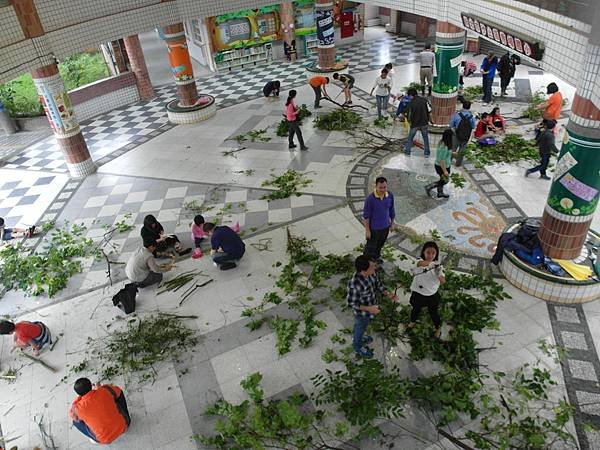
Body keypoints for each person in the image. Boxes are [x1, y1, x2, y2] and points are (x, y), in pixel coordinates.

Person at [347, 255, 397, 358]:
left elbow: (378, 285)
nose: (375, 268)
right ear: (363, 270)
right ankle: (357, 345)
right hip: (362, 313)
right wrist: (370, 309)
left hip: (371, 307)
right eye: (372, 267)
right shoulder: (355, 284)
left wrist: (388, 293)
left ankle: (359, 335)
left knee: (360, 326)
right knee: (361, 326)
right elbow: (352, 303)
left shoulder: (372, 274)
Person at [69, 378, 130, 444]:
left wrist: (79, 398)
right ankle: (127, 418)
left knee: (75, 422)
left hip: (104, 439)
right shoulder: (105, 390)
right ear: (91, 385)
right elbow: (118, 390)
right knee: (117, 395)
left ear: (79, 394)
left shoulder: (77, 408)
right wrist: (99, 388)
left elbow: (72, 414)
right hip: (124, 425)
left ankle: (94, 438)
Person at [407, 241, 445, 339]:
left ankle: (438, 327)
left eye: (433, 253)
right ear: (423, 252)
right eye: (428, 252)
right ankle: (412, 322)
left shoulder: (438, 267)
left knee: (433, 312)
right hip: (418, 293)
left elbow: (442, 281)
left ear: (436, 254)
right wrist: (431, 264)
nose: (430, 255)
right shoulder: (418, 261)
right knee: (415, 309)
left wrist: (438, 274)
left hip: (431, 294)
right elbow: (421, 263)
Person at [362, 176, 395, 264]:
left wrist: (392, 224)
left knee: (380, 245)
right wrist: (367, 231)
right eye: (380, 187)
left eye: (384, 187)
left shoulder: (390, 195)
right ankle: (365, 262)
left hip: (385, 227)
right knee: (370, 247)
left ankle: (376, 257)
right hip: (374, 229)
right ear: (376, 186)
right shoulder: (370, 199)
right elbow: (366, 217)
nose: (383, 189)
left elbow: (392, 210)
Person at [425, 129, 457, 199]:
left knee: (442, 179)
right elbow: (441, 160)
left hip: (445, 165)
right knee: (445, 180)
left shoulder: (444, 143)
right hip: (442, 166)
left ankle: (440, 193)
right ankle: (429, 186)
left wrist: (452, 153)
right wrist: (445, 171)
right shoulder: (444, 147)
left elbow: (445, 154)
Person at [403, 88, 431, 157]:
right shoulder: (424, 100)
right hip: (424, 123)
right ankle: (426, 153)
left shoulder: (411, 103)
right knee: (425, 138)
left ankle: (407, 152)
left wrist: (409, 122)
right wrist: (429, 120)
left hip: (415, 124)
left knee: (410, 138)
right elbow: (429, 111)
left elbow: (408, 115)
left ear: (411, 95)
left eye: (409, 96)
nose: (409, 98)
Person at [449, 100, 476, 167]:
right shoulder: (472, 117)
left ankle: (449, 161)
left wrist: (455, 133)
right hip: (466, 136)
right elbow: (473, 127)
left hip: (456, 135)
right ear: (469, 107)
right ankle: (458, 164)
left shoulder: (456, 115)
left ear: (462, 106)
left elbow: (451, 126)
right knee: (462, 151)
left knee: (453, 149)